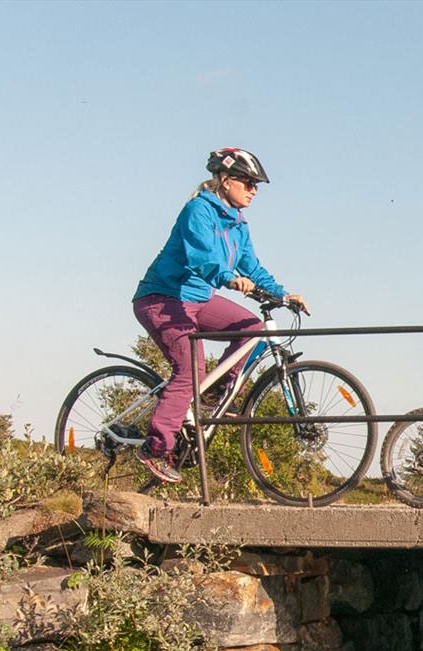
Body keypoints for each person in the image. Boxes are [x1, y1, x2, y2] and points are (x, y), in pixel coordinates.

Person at [130, 147, 310, 484]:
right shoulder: (198, 211)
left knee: (252, 328)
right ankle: (154, 449)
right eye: (248, 182)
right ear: (225, 180)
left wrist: (283, 294)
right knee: (191, 369)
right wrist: (227, 277)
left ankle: (213, 398)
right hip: (163, 298)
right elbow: (201, 256)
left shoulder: (238, 224)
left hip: (198, 300)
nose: (253, 190)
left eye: (256, 185)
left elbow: (251, 266)